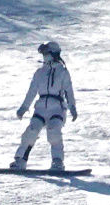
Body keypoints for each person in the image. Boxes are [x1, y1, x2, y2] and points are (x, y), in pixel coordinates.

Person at [11, 40, 77, 174]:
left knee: (54, 131)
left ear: (54, 54)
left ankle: (57, 161)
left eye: (46, 53)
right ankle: (20, 160)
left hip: (57, 108)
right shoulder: (39, 73)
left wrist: (72, 107)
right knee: (32, 130)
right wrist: (24, 107)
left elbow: (69, 91)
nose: (44, 56)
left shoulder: (62, 72)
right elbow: (32, 91)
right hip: (41, 107)